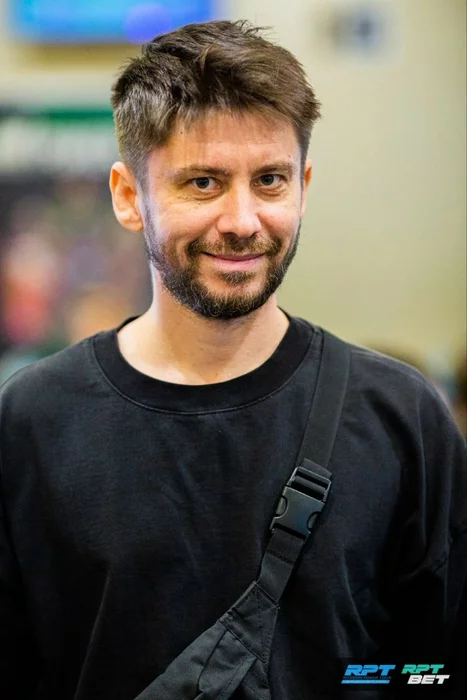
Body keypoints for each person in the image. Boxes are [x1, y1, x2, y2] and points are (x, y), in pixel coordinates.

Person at [0, 20, 465, 700]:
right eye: (203, 182)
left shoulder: (400, 418)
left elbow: (436, 668)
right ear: (129, 197)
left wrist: (348, 680)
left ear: (303, 186)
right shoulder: (32, 422)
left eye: (269, 180)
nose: (242, 220)